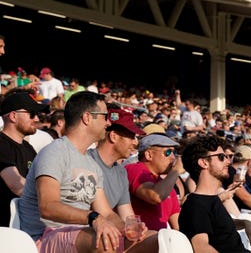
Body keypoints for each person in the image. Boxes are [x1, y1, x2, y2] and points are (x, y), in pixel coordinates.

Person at [19, 91, 155, 252]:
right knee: (105, 242)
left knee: (153, 240)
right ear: (87, 118)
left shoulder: (92, 165)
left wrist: (126, 228)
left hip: (80, 234)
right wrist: (93, 218)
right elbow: (48, 206)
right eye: (104, 116)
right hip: (45, 236)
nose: (107, 123)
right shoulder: (54, 152)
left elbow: (107, 213)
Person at [179, 134, 251, 253]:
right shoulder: (196, 204)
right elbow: (201, 247)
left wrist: (244, 223)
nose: (228, 161)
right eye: (221, 157)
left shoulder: (210, 199)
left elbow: (219, 228)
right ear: (204, 163)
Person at [0, 89, 46, 226]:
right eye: (32, 114)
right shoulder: (1, 144)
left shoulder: (28, 148)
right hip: (6, 230)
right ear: (13, 116)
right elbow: (16, 185)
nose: (37, 119)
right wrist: (52, 199)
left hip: (23, 226)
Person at [125, 133, 182, 231]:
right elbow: (155, 196)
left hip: (161, 242)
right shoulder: (134, 169)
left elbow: (178, 226)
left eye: (174, 152)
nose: (173, 158)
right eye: (168, 152)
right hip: (139, 241)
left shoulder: (166, 187)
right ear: (149, 155)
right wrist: (176, 170)